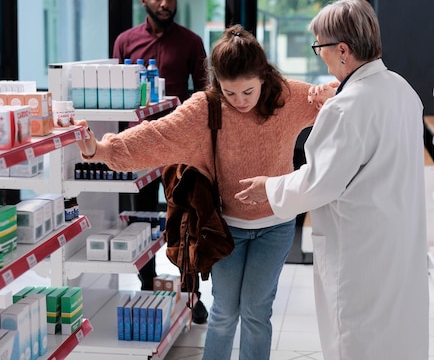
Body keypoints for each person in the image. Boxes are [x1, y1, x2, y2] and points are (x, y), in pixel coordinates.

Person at [75, 24, 333, 360]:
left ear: (264, 78)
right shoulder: (205, 107)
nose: (240, 101)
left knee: (256, 312)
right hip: (223, 228)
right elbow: (157, 136)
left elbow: (343, 106)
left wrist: (332, 96)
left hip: (276, 225)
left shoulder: (286, 96)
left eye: (248, 92)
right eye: (230, 92)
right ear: (216, 83)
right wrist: (102, 150)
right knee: (224, 313)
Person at [234, 0, 429, 360]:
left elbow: (319, 183)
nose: (318, 57)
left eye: (319, 48)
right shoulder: (402, 90)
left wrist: (269, 186)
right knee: (399, 339)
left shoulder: (347, 106)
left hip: (360, 254)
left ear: (343, 49)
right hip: (398, 243)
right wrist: (340, 95)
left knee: (355, 342)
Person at [112, 0, 210, 321]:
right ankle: (147, 284)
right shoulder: (125, 42)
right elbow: (120, 99)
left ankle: (191, 294)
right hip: (139, 148)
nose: (165, 3)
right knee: (141, 218)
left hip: (179, 147)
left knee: (183, 220)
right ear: (144, 0)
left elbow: (203, 94)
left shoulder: (191, 41)